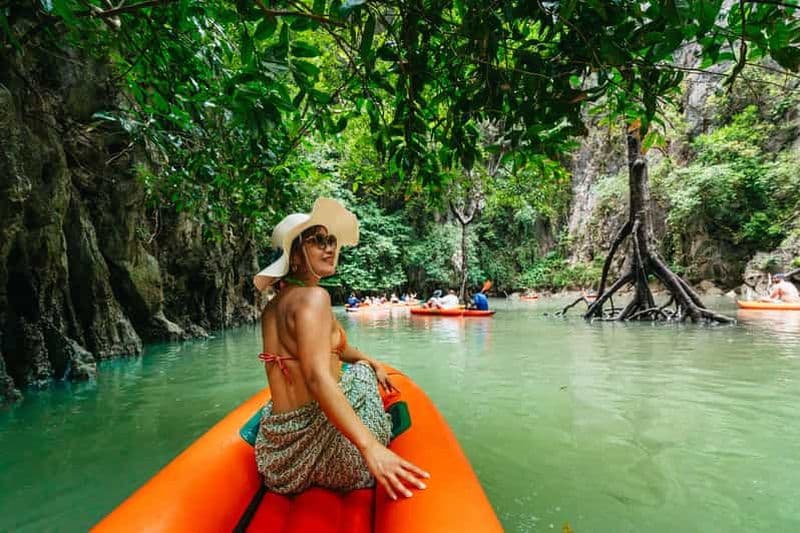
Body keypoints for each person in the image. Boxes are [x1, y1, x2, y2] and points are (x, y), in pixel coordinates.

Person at [252, 198, 429, 499]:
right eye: (318, 241)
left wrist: (368, 359)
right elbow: (317, 377)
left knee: (360, 368)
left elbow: (336, 348)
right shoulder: (314, 298)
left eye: (332, 240)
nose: (330, 247)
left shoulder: (274, 308)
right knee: (360, 378)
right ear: (294, 256)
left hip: (279, 459)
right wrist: (370, 447)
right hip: (327, 459)